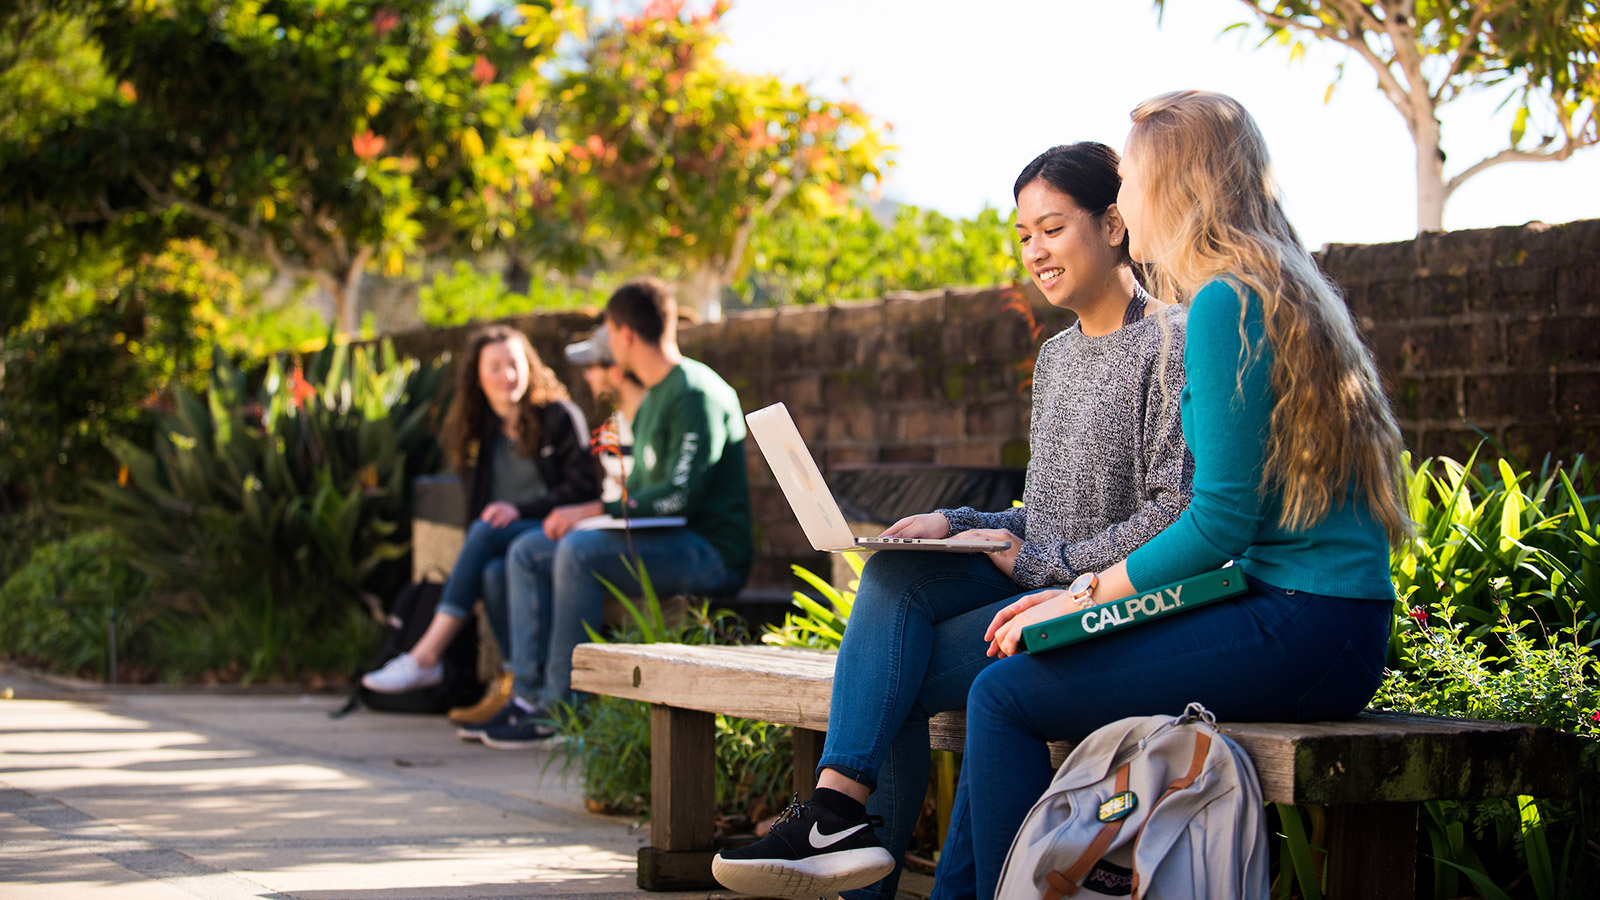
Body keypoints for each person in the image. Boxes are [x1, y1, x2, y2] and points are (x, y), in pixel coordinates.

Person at [931, 91, 1412, 900]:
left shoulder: (1226, 302)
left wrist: (1078, 596)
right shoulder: (1277, 285)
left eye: (1134, 182)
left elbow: (1222, 519)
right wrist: (1081, 608)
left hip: (1303, 621)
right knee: (1021, 672)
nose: (1121, 203)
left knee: (1006, 694)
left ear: (1179, 189)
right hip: (1307, 614)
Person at [712, 142, 1193, 900]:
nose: (1035, 251)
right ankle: (842, 821)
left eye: (1053, 229)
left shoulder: (1176, 342)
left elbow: (1175, 516)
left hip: (1108, 601)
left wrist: (1035, 564)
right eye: (1024, 235)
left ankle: (844, 832)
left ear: (1114, 225)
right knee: (895, 571)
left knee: (885, 683)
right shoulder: (1060, 357)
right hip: (1045, 575)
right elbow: (1047, 512)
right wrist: (950, 517)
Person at [469, 277, 755, 749]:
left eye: (607, 332)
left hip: (710, 551)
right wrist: (595, 513)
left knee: (580, 550)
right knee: (526, 551)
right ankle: (528, 698)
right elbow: (639, 497)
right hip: (662, 541)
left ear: (623, 334)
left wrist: (589, 512)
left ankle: (563, 713)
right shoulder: (651, 399)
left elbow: (679, 496)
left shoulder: (694, 393)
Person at [361, 325, 600, 710]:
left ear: (531, 367)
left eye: (514, 364)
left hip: (553, 528)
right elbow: (477, 504)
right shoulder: (476, 433)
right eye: (495, 367)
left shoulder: (558, 416)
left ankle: (426, 655)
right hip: (505, 541)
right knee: (491, 572)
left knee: (488, 531)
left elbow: (583, 489)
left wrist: (519, 510)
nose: (507, 376)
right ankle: (521, 686)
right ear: (477, 376)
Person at [564, 323, 649, 504]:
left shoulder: (659, 419)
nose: (588, 377)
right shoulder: (613, 427)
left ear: (615, 372)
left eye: (591, 368)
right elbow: (613, 496)